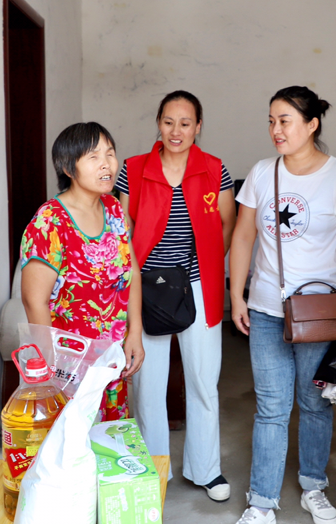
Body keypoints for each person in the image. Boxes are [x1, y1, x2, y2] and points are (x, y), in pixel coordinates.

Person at [230, 86, 336, 524]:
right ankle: (261, 501)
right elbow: (243, 236)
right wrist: (237, 295)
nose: (276, 129)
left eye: (285, 120)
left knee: (314, 403)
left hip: (320, 313)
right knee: (271, 407)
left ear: (312, 124)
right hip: (267, 308)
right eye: (271, 121)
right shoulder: (262, 172)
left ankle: (313, 486)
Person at [116, 90, 236, 502]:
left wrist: (210, 270)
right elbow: (123, 232)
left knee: (203, 380)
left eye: (185, 123)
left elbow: (227, 224)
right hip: (146, 285)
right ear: (158, 122)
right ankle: (155, 469)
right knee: (148, 384)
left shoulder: (215, 170)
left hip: (197, 284)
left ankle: (206, 470)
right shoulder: (133, 169)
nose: (176, 131)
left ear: (198, 126)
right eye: (168, 122)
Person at [20, 122, 144, 419]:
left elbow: (132, 271)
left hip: (111, 360)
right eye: (93, 156)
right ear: (68, 167)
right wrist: (51, 373)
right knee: (71, 439)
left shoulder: (113, 209)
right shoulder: (50, 222)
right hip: (68, 367)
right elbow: (34, 301)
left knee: (107, 438)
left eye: (110, 154)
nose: (106, 164)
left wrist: (135, 332)